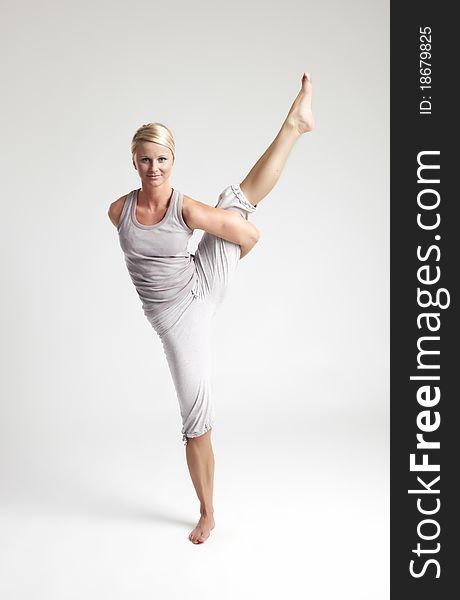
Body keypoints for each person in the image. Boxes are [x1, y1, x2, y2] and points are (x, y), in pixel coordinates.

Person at [108, 72, 315, 544]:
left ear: (172, 161)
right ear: (134, 162)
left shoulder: (186, 209)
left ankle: (208, 512)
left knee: (195, 417)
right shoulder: (117, 212)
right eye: (145, 160)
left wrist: (235, 252)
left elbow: (249, 235)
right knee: (236, 201)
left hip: (201, 292)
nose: (153, 167)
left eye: (161, 159)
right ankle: (296, 126)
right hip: (171, 318)